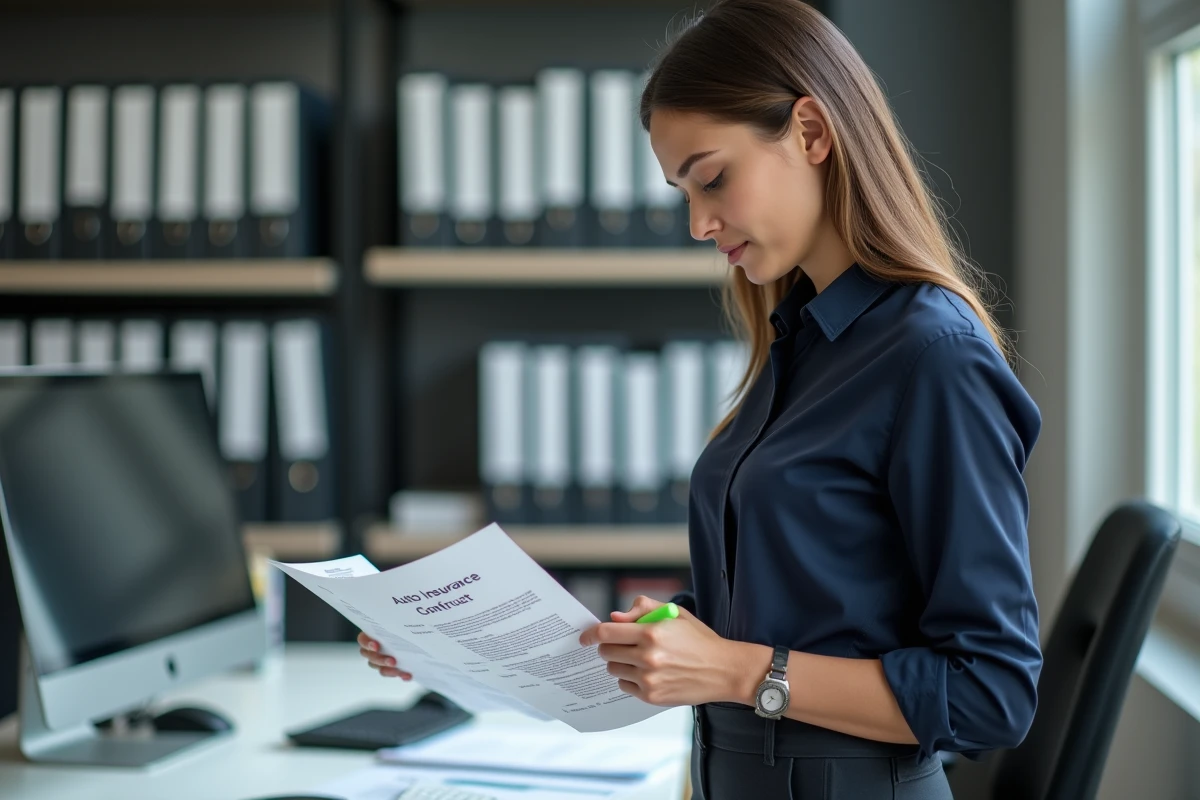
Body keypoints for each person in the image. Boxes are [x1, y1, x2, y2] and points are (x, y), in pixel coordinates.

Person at [357, 1, 1042, 796]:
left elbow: (993, 692)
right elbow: (785, 615)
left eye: (712, 178)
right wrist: (464, 647)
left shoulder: (932, 356)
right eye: (683, 191)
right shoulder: (804, 341)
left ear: (813, 134)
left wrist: (735, 669)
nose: (697, 221)